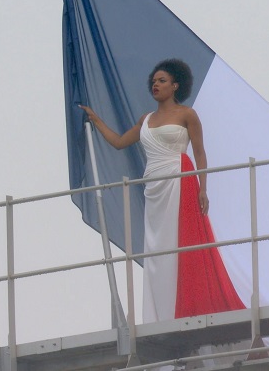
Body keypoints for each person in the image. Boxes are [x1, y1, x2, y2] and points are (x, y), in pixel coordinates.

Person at [79, 58, 244, 323]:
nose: (156, 85)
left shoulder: (187, 115)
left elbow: (200, 153)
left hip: (180, 179)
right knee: (158, 249)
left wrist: (204, 188)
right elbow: (120, 142)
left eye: (162, 81)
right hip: (153, 185)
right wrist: (96, 120)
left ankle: (189, 309)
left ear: (175, 85)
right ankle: (162, 314)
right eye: (154, 81)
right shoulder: (146, 119)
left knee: (181, 243)